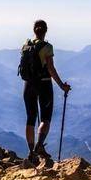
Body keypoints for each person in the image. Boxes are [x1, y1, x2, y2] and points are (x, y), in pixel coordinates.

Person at [20, 19, 71, 164]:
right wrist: (62, 86)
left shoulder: (25, 46)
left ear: (34, 30)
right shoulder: (47, 47)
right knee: (45, 118)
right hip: (44, 85)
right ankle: (39, 146)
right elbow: (51, 69)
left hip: (28, 85)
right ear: (46, 30)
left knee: (30, 118)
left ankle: (31, 153)